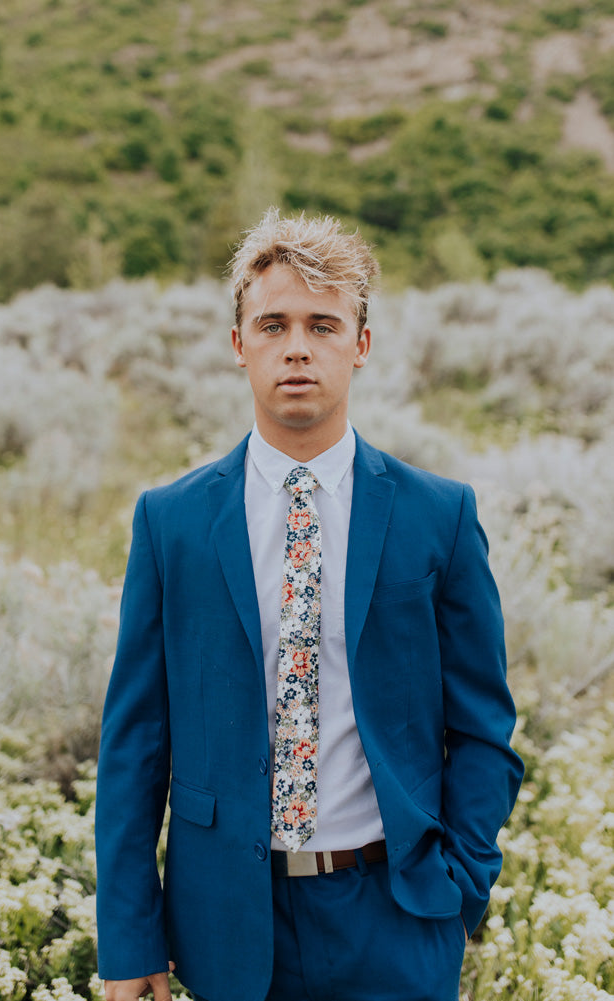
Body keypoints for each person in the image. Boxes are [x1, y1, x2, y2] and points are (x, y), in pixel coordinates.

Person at [95, 209, 524, 1001]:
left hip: (394, 913)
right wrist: (128, 938)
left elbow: (482, 729)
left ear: (359, 344)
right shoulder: (172, 521)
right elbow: (133, 746)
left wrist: (459, 884)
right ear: (238, 344)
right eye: (273, 324)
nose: (297, 346)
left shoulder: (440, 516)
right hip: (224, 924)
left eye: (323, 323)